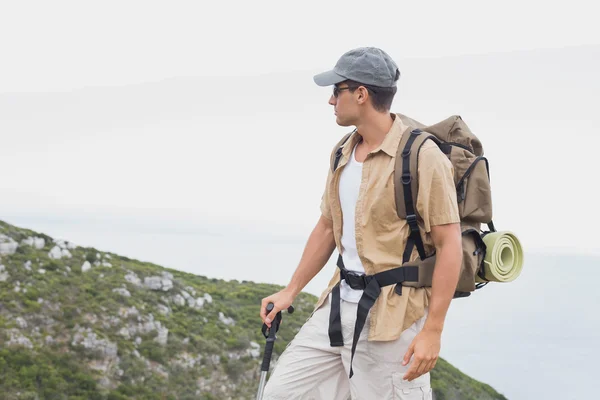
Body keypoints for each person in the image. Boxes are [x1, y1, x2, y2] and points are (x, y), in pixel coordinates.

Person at [260, 47, 462, 400]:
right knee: (280, 394)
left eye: (336, 91)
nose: (330, 101)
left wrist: (433, 330)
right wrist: (290, 290)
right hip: (337, 306)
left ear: (360, 94)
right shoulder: (342, 151)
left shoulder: (422, 157)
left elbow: (450, 245)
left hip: (393, 319)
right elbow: (326, 227)